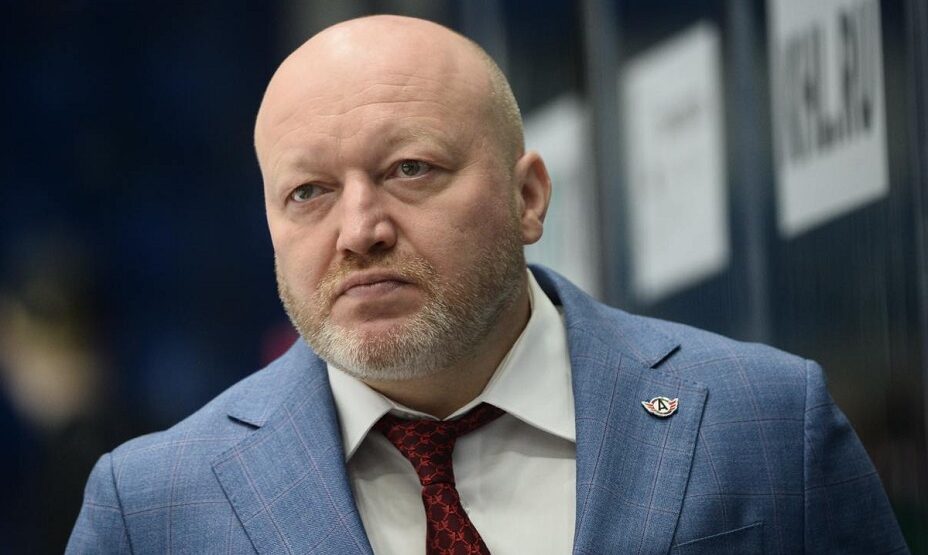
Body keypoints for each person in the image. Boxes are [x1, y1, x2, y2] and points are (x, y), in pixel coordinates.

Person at [67, 15, 908, 554]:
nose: (359, 230)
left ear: (527, 195)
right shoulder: (151, 509)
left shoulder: (766, 422)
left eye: (409, 168)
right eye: (308, 192)